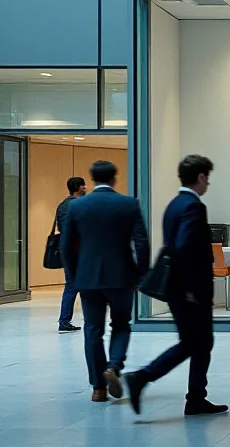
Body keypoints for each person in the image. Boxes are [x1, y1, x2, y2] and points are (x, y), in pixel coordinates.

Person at [124, 155, 228, 416]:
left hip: (176, 287)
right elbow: (184, 247)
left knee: (200, 342)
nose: (208, 184)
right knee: (195, 342)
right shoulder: (194, 206)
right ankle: (143, 377)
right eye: (207, 178)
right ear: (201, 177)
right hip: (189, 289)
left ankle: (196, 398)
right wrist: (192, 289)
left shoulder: (174, 204)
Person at [59, 162, 149, 402]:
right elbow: (141, 242)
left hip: (88, 278)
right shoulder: (129, 204)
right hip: (121, 277)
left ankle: (98, 388)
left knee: (92, 329)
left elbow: (65, 245)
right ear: (113, 179)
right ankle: (114, 366)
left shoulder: (77, 206)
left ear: (93, 180)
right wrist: (141, 275)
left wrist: (75, 275)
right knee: (121, 324)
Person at [55, 176, 87, 333]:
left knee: (70, 286)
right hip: (79, 250)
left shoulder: (62, 205)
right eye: (84, 185)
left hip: (66, 250)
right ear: (79, 188)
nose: (86, 188)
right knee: (86, 285)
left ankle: (64, 320)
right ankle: (90, 318)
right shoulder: (79, 205)